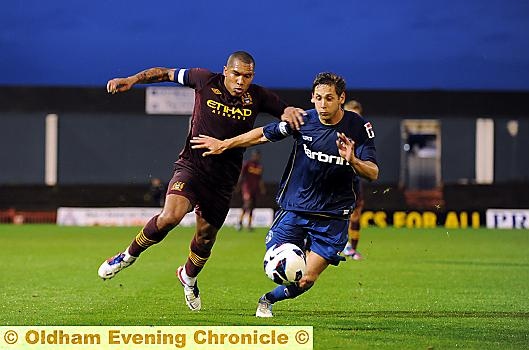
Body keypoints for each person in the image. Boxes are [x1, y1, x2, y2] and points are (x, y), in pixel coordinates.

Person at [97, 51, 305, 312]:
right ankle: (126, 256)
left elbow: (283, 110)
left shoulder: (258, 96)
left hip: (223, 180)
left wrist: (291, 111)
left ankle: (189, 277)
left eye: (248, 76)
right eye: (237, 74)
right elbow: (164, 72)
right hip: (192, 168)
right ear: (226, 71)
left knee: (205, 239)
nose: (241, 81)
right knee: (170, 217)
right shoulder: (204, 80)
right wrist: (132, 79)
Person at [190, 72, 379, 317]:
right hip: (296, 209)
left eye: (329, 98)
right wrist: (224, 144)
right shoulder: (303, 120)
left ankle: (267, 300)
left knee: (306, 279)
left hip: (333, 217)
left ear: (341, 98)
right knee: (280, 260)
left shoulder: (358, 127)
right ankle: (283, 264)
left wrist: (353, 160)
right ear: (312, 97)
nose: (323, 104)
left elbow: (373, 173)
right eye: (318, 98)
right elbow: (262, 134)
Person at [341, 100, 366, 260]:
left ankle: (353, 249)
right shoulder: (337, 131)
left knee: (356, 214)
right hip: (337, 178)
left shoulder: (363, 134)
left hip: (354, 179)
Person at [237, 149, 266, 231]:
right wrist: (239, 186)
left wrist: (262, 188)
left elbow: (260, 179)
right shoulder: (247, 164)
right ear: (252, 156)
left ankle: (249, 225)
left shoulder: (260, 166)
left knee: (252, 207)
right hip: (247, 187)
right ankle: (239, 222)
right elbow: (242, 175)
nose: (256, 157)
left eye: (258, 156)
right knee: (247, 203)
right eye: (255, 155)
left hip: (255, 189)